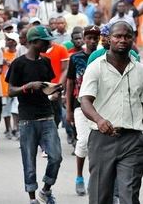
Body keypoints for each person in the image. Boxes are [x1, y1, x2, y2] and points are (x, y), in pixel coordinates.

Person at [79, 21, 143, 204]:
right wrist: (99, 120)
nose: (122, 40)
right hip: (101, 139)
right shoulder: (96, 67)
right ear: (108, 39)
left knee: (129, 195)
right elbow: (85, 100)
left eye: (127, 36)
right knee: (101, 196)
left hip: (133, 140)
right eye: (117, 36)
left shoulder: (140, 70)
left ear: (133, 39)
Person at [6, 26, 63, 204]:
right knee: (29, 162)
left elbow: (48, 86)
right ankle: (32, 198)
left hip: (47, 116)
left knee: (56, 157)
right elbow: (10, 91)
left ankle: (46, 189)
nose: (48, 44)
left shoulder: (45, 62)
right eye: (45, 41)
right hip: (27, 120)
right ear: (33, 42)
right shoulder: (19, 63)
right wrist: (28, 86)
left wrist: (54, 92)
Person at [64, 25, 100, 196]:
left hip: (99, 106)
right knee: (84, 141)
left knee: (98, 145)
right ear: (84, 39)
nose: (92, 41)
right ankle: (79, 177)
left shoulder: (103, 57)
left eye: (95, 38)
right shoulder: (76, 57)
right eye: (89, 38)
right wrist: (69, 109)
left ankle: (96, 179)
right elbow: (70, 82)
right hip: (80, 105)